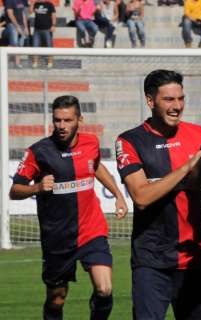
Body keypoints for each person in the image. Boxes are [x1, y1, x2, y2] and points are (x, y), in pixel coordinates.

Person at [9, 95, 128, 320]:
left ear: (79, 120)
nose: (61, 126)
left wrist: (118, 195)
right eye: (57, 120)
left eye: (67, 120)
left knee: (105, 289)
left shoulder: (91, 143)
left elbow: (97, 167)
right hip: (57, 237)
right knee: (57, 299)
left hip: (91, 230)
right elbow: (14, 191)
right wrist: (36, 188)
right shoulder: (39, 151)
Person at [115, 70, 201, 319]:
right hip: (151, 261)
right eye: (169, 100)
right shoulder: (130, 141)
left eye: (181, 98)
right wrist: (187, 167)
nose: (177, 106)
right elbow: (141, 197)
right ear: (150, 101)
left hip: (195, 258)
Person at [29, 0, 56, 68]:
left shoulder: (50, 4)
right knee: (35, 46)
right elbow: (30, 12)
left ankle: (50, 62)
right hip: (37, 29)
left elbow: (53, 15)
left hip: (47, 29)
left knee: (49, 46)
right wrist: (32, 3)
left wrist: (53, 25)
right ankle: (35, 63)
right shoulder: (36, 4)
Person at [5, 0, 30, 67]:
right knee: (14, 43)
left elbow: (23, 14)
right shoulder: (9, 1)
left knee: (20, 44)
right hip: (12, 25)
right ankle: (4, 62)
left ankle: (17, 63)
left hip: (21, 25)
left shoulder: (21, 1)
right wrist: (17, 26)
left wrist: (26, 27)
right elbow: (10, 14)